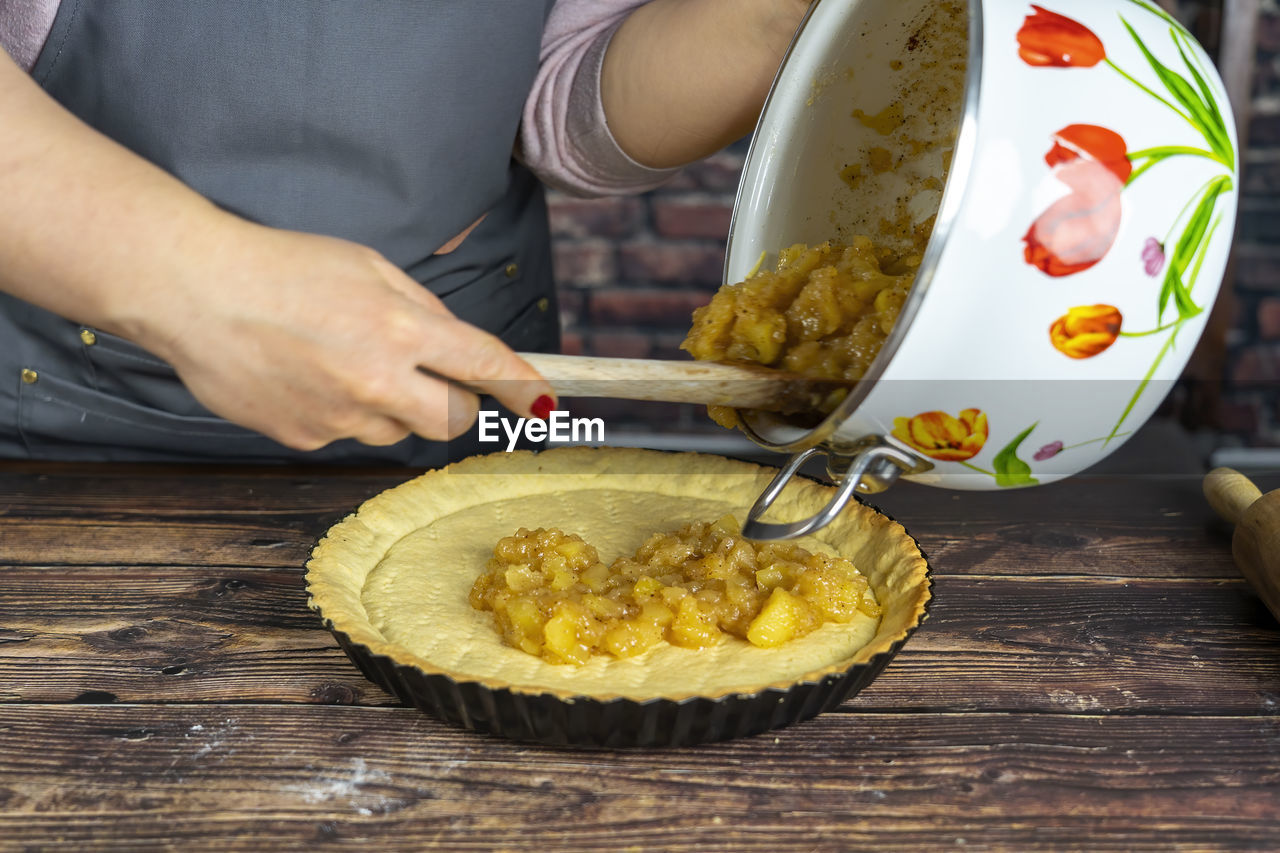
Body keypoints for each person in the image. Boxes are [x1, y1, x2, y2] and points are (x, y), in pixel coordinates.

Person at [0, 0, 810, 463]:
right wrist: (193, 281)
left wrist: (781, 16)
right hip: (64, 426)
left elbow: (569, 109)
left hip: (461, 410)